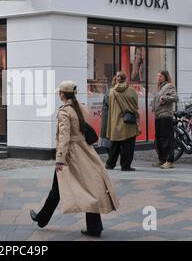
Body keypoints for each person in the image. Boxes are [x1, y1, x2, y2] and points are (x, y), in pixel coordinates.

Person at [30, 80, 120, 238]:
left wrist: (59, 159)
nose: (59, 94)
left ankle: (43, 218)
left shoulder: (65, 111)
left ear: (63, 94)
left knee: (58, 189)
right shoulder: (82, 108)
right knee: (86, 187)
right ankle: (92, 227)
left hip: (70, 156)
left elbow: (64, 137)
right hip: (85, 151)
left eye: (60, 92)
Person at [105, 71, 141, 171]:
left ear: (116, 79)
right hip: (128, 122)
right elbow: (135, 105)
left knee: (114, 145)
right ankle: (125, 166)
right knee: (128, 145)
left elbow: (110, 107)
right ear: (126, 79)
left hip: (115, 120)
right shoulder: (132, 91)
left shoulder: (112, 91)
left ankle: (110, 164)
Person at [151, 70, 179, 169]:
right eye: (158, 76)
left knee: (166, 139)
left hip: (166, 116)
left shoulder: (169, 86)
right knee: (158, 139)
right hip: (158, 116)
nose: (158, 78)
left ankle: (169, 161)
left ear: (165, 77)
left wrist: (165, 98)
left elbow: (175, 98)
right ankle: (162, 159)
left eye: (161, 77)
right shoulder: (159, 87)